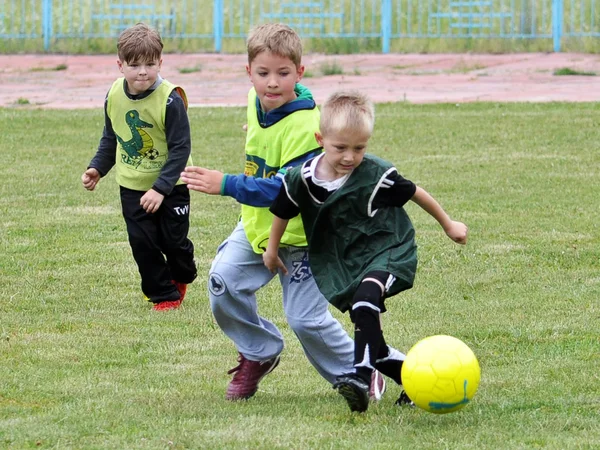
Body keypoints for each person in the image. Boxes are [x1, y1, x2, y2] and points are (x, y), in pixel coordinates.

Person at [180, 23, 386, 402]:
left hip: (304, 236)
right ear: (249, 73)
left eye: (283, 73)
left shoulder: (308, 127)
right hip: (259, 228)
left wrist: (223, 183)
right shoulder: (255, 102)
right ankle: (259, 352)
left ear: (300, 72)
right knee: (222, 282)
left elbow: (284, 190)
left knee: (306, 319)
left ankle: (361, 371)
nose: (272, 83)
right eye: (263, 73)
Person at [262, 90, 468, 412]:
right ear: (320, 138)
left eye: (359, 148)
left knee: (364, 301)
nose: (350, 157)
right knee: (364, 318)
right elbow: (282, 209)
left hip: (388, 248)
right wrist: (272, 251)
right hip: (347, 260)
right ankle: (404, 375)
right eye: (340, 147)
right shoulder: (301, 178)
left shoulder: (375, 174)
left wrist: (448, 224)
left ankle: (360, 375)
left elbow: (415, 192)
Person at [81, 23, 197, 311]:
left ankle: (182, 273)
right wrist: (98, 167)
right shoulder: (113, 95)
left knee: (174, 244)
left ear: (161, 62)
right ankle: (164, 295)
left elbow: (181, 149)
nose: (142, 71)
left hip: (172, 186)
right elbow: (112, 136)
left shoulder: (171, 99)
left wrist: (161, 188)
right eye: (134, 65)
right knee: (143, 244)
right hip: (132, 185)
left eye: (149, 64)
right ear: (120, 65)